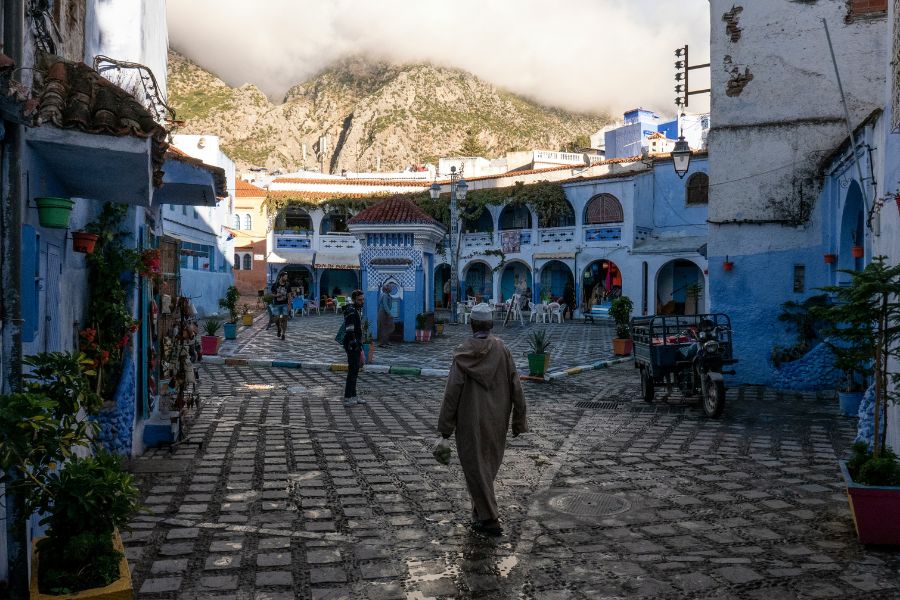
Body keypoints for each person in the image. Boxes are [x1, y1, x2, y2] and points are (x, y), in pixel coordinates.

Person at [437, 303, 527, 536]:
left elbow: (452, 392)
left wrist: (445, 430)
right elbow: (516, 386)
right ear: (491, 324)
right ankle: (480, 514)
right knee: (486, 469)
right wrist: (519, 421)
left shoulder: (463, 354)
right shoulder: (502, 350)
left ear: (471, 325)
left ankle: (490, 520)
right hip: (497, 420)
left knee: (477, 470)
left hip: (470, 422)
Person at [341, 289, 367, 407]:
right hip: (352, 344)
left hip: (356, 343)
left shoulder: (356, 310)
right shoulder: (351, 311)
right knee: (352, 371)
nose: (362, 302)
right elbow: (350, 330)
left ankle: (354, 396)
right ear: (354, 300)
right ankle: (348, 397)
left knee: (355, 370)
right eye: (359, 300)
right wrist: (354, 343)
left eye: (363, 299)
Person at [271, 272, 291, 340]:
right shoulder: (275, 285)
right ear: (281, 277)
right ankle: (279, 328)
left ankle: (283, 334)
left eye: (286, 277)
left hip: (285, 305)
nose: (286, 278)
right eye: (285, 277)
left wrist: (289, 305)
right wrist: (277, 295)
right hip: (277, 305)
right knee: (276, 319)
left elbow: (289, 296)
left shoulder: (287, 285)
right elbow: (272, 295)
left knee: (284, 319)